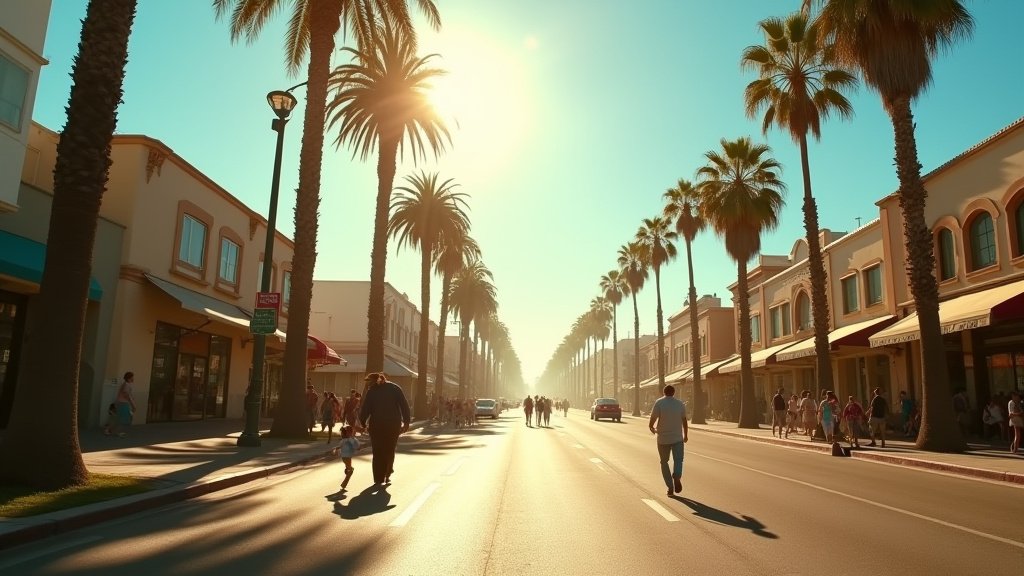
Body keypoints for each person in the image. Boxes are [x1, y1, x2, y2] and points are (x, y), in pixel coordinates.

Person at [358, 372, 410, 485]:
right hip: (393, 425)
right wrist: (406, 421)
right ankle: (388, 472)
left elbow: (366, 408)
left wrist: (362, 422)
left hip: (376, 426)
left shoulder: (372, 392)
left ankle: (378, 478)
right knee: (390, 450)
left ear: (373, 381)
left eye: (368, 382)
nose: (368, 385)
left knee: (377, 452)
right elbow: (404, 405)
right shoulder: (395, 388)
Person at [648, 384, 689, 496]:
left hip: (663, 438)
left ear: (664, 392)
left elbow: (653, 418)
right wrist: (685, 435)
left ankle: (670, 488)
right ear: (674, 392)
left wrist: (651, 426)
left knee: (664, 462)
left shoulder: (659, 403)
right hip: (677, 438)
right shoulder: (680, 404)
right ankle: (677, 475)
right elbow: (684, 421)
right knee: (678, 460)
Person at [112, 371, 137, 437]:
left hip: (122, 402)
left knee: (120, 417)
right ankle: (117, 431)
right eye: (132, 377)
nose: (133, 379)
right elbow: (126, 395)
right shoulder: (126, 385)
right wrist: (132, 404)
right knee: (123, 418)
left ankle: (110, 430)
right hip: (123, 403)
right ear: (129, 378)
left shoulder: (126, 384)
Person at [338, 425, 362, 491]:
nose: (351, 433)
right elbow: (356, 446)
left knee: (349, 469)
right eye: (349, 432)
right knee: (350, 470)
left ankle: (347, 469)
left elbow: (357, 446)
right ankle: (344, 484)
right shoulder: (347, 440)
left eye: (351, 432)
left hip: (348, 457)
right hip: (345, 457)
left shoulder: (350, 439)